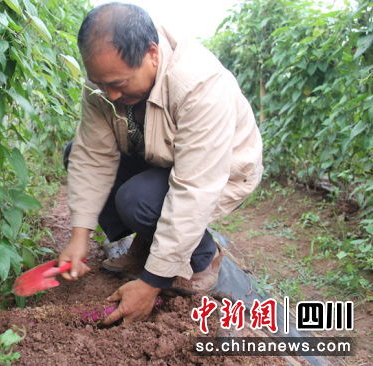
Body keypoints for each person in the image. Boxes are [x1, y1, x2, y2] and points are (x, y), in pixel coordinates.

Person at [58, 2, 263, 325]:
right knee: (76, 153)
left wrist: (152, 283)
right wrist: (79, 236)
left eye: (119, 84)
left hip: (219, 171)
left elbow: (194, 187)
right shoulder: (106, 82)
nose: (110, 94)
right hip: (157, 157)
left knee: (138, 200)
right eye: (100, 83)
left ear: (152, 54)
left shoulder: (199, 84)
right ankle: (147, 241)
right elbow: (92, 156)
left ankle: (204, 256)